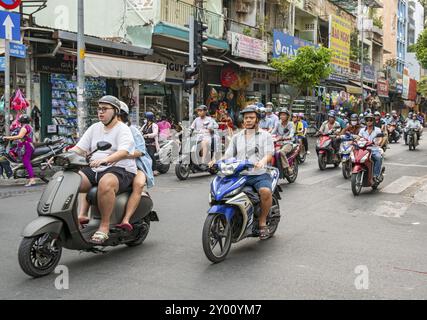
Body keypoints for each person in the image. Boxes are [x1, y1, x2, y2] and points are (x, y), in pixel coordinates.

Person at [70, 95, 137, 244]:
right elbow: (79, 148)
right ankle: (76, 218)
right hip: (95, 168)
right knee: (72, 180)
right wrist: (63, 156)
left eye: (105, 109)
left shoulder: (123, 129)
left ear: (115, 111)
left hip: (120, 168)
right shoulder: (94, 128)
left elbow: (124, 152)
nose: (100, 112)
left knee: (106, 183)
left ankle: (104, 226)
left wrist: (106, 159)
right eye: (99, 109)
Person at [210, 105, 274, 240]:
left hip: (259, 174)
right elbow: (227, 155)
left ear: (257, 119)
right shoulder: (237, 137)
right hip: (238, 174)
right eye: (246, 118)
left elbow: (269, 154)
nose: (248, 120)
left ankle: (262, 222)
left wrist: (262, 162)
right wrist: (216, 161)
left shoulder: (265, 136)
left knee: (265, 192)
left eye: (251, 117)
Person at [116, 101, 155, 231]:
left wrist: (121, 155)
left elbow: (141, 151)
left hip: (136, 165)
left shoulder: (132, 130)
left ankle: (126, 219)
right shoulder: (102, 129)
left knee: (138, 185)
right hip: (111, 166)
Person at [2, 114, 35, 186]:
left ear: (21, 121)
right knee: (11, 152)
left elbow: (19, 136)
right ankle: (16, 169)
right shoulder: (28, 126)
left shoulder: (24, 127)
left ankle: (32, 179)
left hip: (26, 146)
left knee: (26, 162)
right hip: (25, 145)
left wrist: (7, 137)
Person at [358, 113, 384, 182]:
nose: (369, 122)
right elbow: (358, 138)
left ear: (373, 121)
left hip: (374, 149)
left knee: (378, 158)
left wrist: (378, 142)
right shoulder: (362, 130)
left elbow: (380, 138)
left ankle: (376, 175)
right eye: (367, 120)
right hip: (363, 149)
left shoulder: (377, 130)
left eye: (370, 120)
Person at [272, 108, 295, 174]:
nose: (282, 116)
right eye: (281, 115)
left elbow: (292, 133)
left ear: (287, 116)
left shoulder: (290, 124)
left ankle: (288, 167)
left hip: (288, 143)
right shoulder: (278, 123)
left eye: (284, 115)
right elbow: (273, 132)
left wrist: (288, 137)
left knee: (281, 152)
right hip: (278, 143)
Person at [141, 112, 160, 176]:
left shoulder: (154, 125)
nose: (144, 119)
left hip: (152, 144)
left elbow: (155, 133)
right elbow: (140, 131)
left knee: (151, 155)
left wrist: (147, 135)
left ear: (149, 119)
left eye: (145, 118)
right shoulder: (145, 125)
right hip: (144, 143)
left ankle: (154, 170)